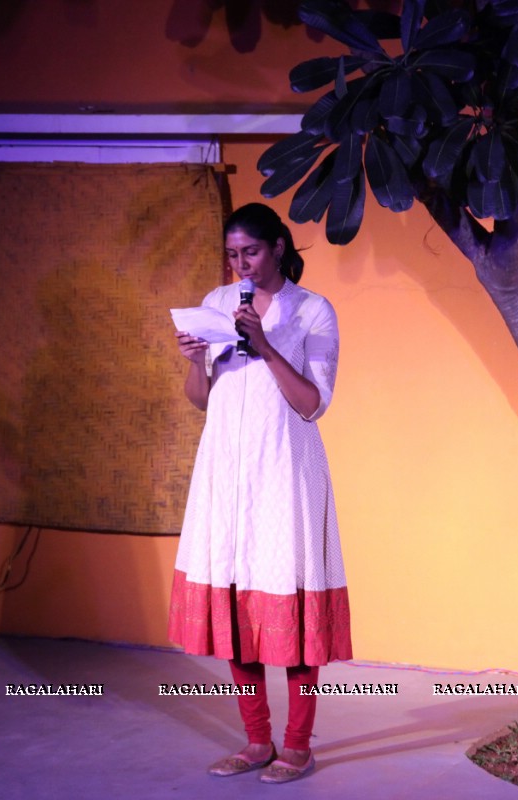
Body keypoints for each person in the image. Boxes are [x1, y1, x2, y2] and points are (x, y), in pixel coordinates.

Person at [168, 202, 351, 784]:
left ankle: (297, 745)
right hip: (226, 473)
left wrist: (266, 344)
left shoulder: (313, 311)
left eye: (249, 252)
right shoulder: (217, 305)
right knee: (235, 603)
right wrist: (196, 362)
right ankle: (255, 740)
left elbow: (311, 403)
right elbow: (202, 399)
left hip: (283, 474)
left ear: (277, 247)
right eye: (231, 255)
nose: (239, 266)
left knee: (288, 604)